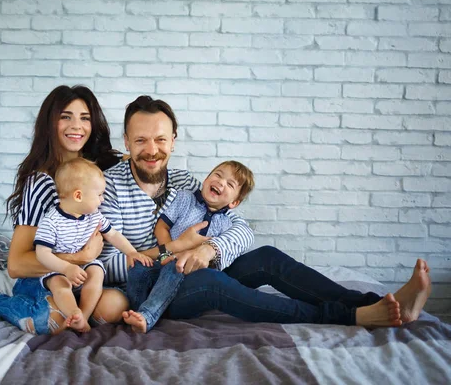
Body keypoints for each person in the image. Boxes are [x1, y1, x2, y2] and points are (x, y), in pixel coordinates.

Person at [100, 94, 431, 329]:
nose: (152, 150)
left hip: (196, 270)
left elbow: (241, 229)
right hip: (154, 292)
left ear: (173, 141)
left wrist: (209, 247)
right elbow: (105, 265)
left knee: (267, 257)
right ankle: (348, 317)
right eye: (141, 140)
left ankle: (371, 303)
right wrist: (173, 248)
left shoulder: (187, 182)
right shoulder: (108, 187)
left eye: (160, 139)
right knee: (214, 282)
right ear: (127, 142)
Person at [0, 85, 131, 334]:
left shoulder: (101, 169)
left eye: (85, 118)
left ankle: (78, 315)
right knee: (52, 322)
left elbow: (139, 158)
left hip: (83, 277)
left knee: (115, 306)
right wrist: (78, 258)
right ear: (50, 123)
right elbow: (16, 265)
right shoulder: (41, 183)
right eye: (65, 117)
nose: (76, 126)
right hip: (44, 278)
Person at [123, 160, 255, 333]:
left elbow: (217, 257)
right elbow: (162, 226)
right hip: (165, 261)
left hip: (189, 275)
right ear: (206, 179)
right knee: (139, 267)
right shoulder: (185, 198)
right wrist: (165, 255)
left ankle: (148, 316)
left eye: (230, 184)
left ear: (234, 203)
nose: (221, 182)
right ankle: (138, 311)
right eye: (218, 175)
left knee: (175, 266)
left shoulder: (226, 225)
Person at [34, 158, 152, 332]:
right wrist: (66, 268)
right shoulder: (52, 222)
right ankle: (73, 312)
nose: (102, 200)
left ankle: (84, 316)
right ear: (78, 196)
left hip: (86, 264)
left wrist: (132, 253)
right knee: (60, 286)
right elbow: (42, 253)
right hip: (59, 268)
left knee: (96, 272)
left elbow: (113, 234)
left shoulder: (94, 216)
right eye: (99, 195)